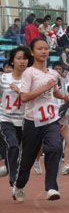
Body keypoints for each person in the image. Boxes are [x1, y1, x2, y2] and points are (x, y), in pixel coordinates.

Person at [13, 38, 69, 202]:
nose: (43, 51)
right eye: (39, 49)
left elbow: (55, 92)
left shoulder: (53, 73)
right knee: (27, 159)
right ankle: (19, 185)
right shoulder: (29, 73)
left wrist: (64, 96)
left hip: (51, 119)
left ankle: (52, 187)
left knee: (54, 148)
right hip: (32, 121)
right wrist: (44, 87)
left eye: (46, 48)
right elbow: (24, 97)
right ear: (32, 52)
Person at [0, 46, 30, 187]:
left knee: (21, 153)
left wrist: (18, 90)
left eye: (24, 58)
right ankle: (13, 178)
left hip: (23, 121)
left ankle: (8, 166)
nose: (22, 61)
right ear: (12, 61)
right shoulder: (4, 78)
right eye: (18, 58)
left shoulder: (30, 80)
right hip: (5, 119)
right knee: (12, 146)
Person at [52, 61, 69, 175]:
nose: (59, 71)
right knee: (42, 144)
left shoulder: (64, 82)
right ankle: (34, 160)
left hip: (62, 116)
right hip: (51, 117)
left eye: (61, 69)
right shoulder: (50, 81)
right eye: (57, 69)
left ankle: (66, 165)